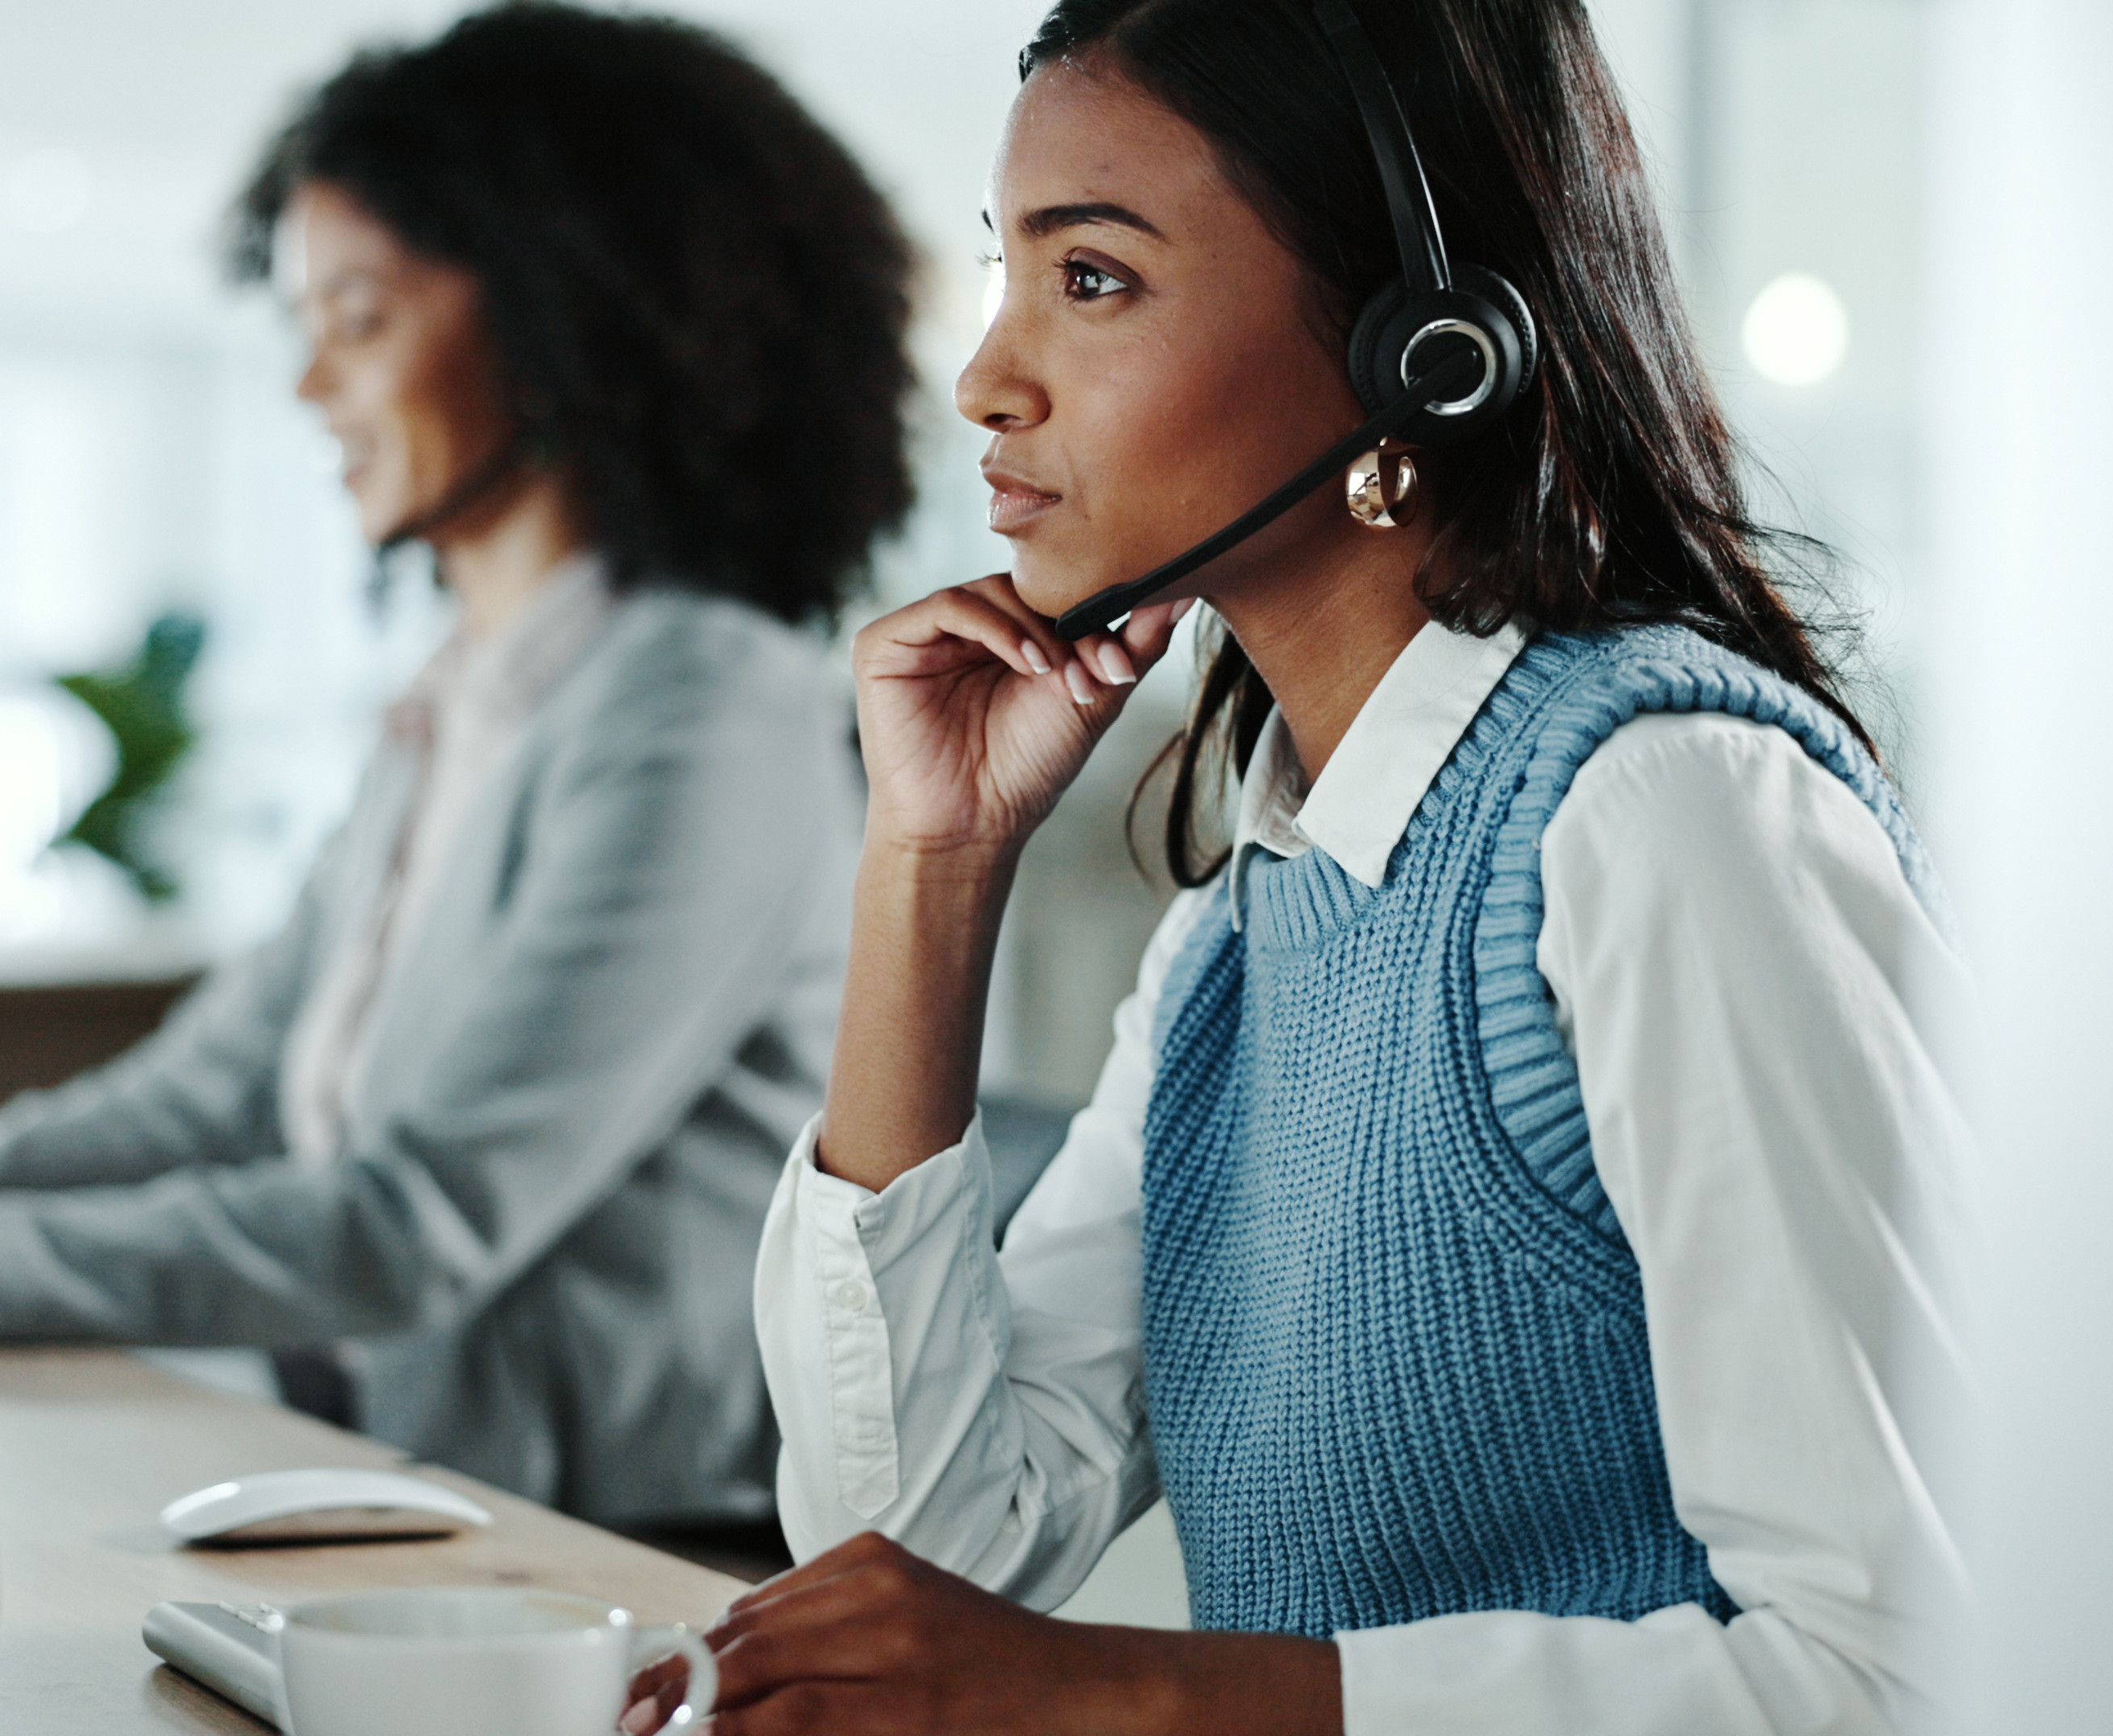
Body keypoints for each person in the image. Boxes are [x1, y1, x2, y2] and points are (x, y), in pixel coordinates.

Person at [633, 0, 1967, 1729]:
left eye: (1091, 279)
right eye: (1005, 270)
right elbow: (916, 1556)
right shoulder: (1251, 919)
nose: (986, 378)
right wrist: (933, 865)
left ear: (1422, 346)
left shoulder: (1664, 817)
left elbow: (1903, 1674)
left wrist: (1132, 1702)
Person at [0, 2, 915, 1541]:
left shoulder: (703, 709)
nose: (307, 391)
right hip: (405, 1508)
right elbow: (209, 1096)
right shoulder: (461, 703)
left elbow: (419, 1222)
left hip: (627, 1570)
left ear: (559, 317)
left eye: (359, 318)